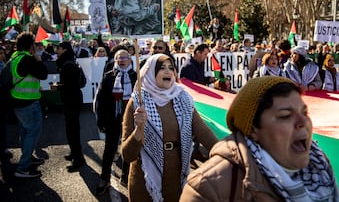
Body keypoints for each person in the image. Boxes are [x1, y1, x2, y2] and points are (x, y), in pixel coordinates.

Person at [180, 76, 339, 201]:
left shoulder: (320, 166)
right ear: (253, 130)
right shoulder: (207, 187)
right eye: (286, 116)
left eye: (305, 112)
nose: (303, 122)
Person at [121, 54, 218, 201]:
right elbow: (127, 155)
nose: (168, 72)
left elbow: (203, 132)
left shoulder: (183, 98)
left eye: (171, 68)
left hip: (177, 182)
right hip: (145, 184)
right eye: (162, 68)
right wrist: (138, 131)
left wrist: (226, 153)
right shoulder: (137, 103)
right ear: (151, 72)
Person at [96, 49, 137, 195]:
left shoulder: (136, 77)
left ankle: (126, 175)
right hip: (112, 119)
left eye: (125, 57)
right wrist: (100, 120)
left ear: (130, 60)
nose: (122, 60)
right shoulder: (108, 77)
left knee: (128, 148)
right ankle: (104, 178)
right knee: (109, 149)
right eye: (119, 58)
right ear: (115, 60)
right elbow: (100, 100)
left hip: (130, 119)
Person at [11, 32, 48, 178]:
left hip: (18, 100)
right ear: (31, 46)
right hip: (28, 102)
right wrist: (37, 57)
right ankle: (23, 167)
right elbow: (43, 73)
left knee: (25, 133)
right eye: (34, 44)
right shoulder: (28, 59)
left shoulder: (15, 57)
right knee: (33, 132)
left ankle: (28, 157)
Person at [54, 41, 86, 172]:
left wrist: (58, 86)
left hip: (72, 99)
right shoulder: (70, 62)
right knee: (71, 128)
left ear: (64, 50)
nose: (57, 51)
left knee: (72, 129)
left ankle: (78, 158)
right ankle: (74, 153)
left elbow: (71, 84)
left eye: (59, 48)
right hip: (72, 99)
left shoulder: (68, 64)